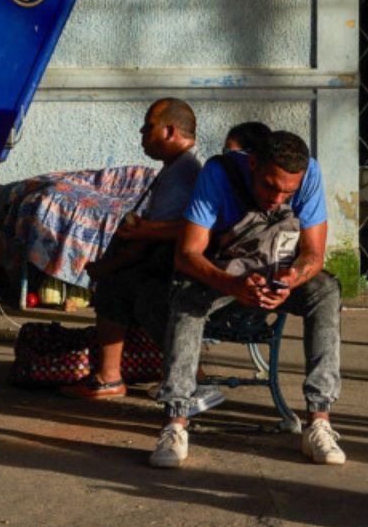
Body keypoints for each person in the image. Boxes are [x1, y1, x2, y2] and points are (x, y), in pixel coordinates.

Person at [149, 130, 345, 469]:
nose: (277, 198)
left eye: (288, 192)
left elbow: (313, 253)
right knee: (186, 297)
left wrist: (292, 277)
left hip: (276, 274)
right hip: (224, 274)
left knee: (326, 290)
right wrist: (231, 283)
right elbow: (187, 254)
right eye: (270, 186)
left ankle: (319, 421)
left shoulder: (310, 173)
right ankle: (175, 422)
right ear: (253, 164)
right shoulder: (218, 172)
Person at [63, 98, 203, 398]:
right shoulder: (179, 166)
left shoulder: (181, 173)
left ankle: (109, 377)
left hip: (172, 263)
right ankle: (188, 369)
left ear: (169, 131)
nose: (142, 133)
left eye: (148, 127)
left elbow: (152, 239)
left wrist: (106, 267)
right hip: (173, 257)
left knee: (115, 286)